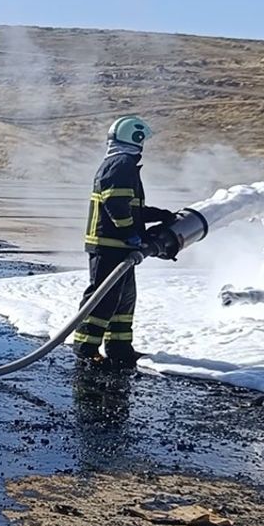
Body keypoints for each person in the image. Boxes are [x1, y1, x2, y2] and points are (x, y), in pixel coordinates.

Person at [74, 115, 175, 367]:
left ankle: (119, 348)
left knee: (124, 298)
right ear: (136, 138)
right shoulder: (120, 164)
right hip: (109, 245)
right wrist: (132, 234)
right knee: (103, 296)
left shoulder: (124, 164)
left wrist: (159, 215)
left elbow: (130, 207)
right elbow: (116, 204)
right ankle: (86, 347)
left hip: (121, 247)